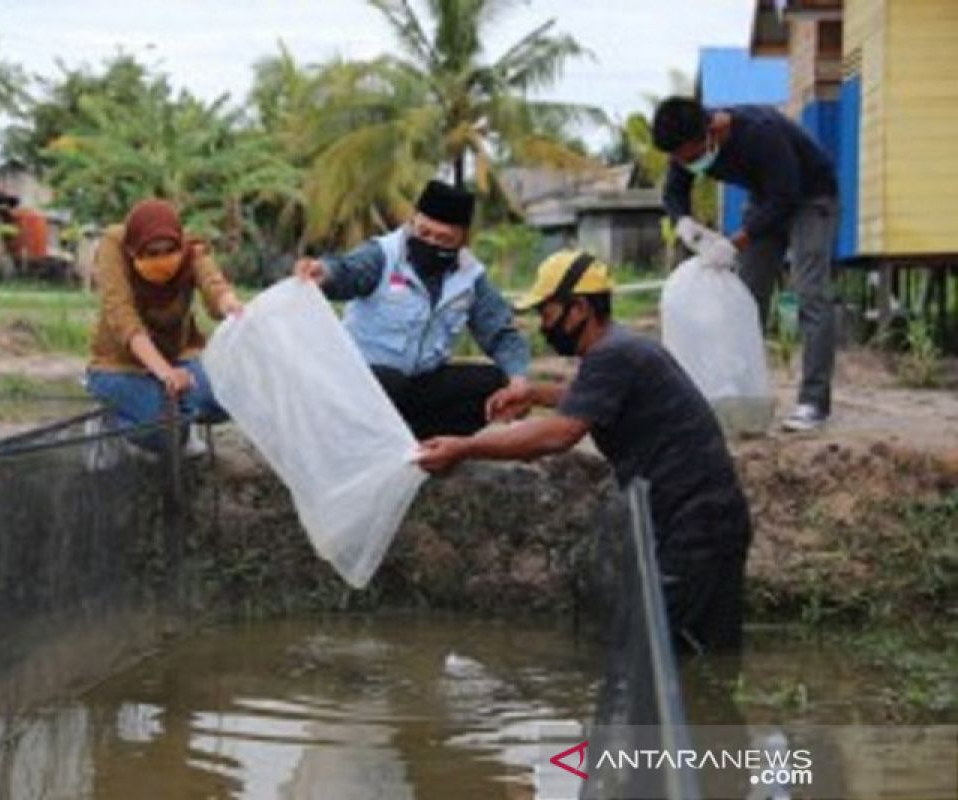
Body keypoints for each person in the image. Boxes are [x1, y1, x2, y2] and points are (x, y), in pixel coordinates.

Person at [416, 251, 752, 656]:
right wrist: (536, 394)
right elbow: (595, 400)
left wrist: (464, 446)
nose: (543, 325)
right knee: (701, 660)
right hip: (702, 520)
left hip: (696, 529)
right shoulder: (620, 349)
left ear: (578, 309)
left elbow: (558, 436)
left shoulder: (613, 354)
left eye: (547, 312)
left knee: (672, 661)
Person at [652, 96, 839, 432]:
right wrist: (683, 222)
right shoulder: (685, 143)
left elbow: (788, 196)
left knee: (810, 293)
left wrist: (732, 243)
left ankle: (813, 402)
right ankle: (739, 395)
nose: (689, 164)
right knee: (745, 297)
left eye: (692, 157)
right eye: (680, 159)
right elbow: (674, 193)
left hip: (810, 194)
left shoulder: (760, 132)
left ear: (709, 133)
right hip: (767, 197)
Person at [294, 180, 531, 439]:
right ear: (411, 223)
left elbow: (500, 332)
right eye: (424, 233)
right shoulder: (382, 255)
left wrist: (518, 378)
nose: (431, 243)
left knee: (492, 383)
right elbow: (347, 272)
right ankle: (369, 438)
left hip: (419, 385)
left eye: (444, 239)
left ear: (462, 240)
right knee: (391, 382)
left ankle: (416, 443)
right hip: (364, 382)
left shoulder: (471, 278)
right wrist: (324, 273)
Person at [85, 198, 244, 450]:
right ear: (132, 251)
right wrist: (165, 373)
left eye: (170, 251)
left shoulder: (191, 248)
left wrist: (229, 303)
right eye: (152, 253)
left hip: (177, 355)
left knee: (222, 401)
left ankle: (181, 414)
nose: (163, 260)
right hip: (121, 364)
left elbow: (213, 283)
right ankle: (111, 422)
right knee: (165, 431)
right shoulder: (114, 245)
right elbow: (122, 316)